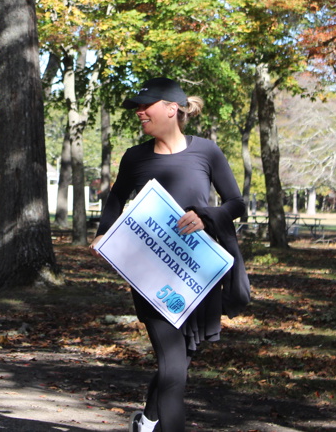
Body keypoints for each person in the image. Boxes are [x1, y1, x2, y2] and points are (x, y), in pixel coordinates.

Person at [91, 78, 250, 432]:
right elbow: (116, 198)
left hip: (198, 275)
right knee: (174, 368)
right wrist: (104, 232)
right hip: (152, 278)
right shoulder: (135, 157)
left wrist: (207, 216)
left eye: (145, 106)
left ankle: (147, 421)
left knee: (182, 360)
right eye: (137, 107)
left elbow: (236, 203)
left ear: (171, 109)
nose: (139, 112)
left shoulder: (206, 151)